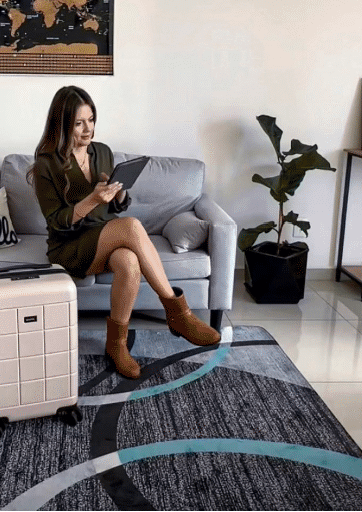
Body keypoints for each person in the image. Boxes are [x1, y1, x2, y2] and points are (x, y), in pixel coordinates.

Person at [29, 85, 220, 379]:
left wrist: (117, 195)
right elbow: (56, 221)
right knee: (131, 226)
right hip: (69, 246)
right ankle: (178, 313)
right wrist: (92, 199)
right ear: (63, 124)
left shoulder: (102, 152)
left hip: (103, 236)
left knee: (129, 263)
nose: (87, 129)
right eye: (78, 123)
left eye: (91, 120)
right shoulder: (46, 164)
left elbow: (116, 207)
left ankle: (116, 345)